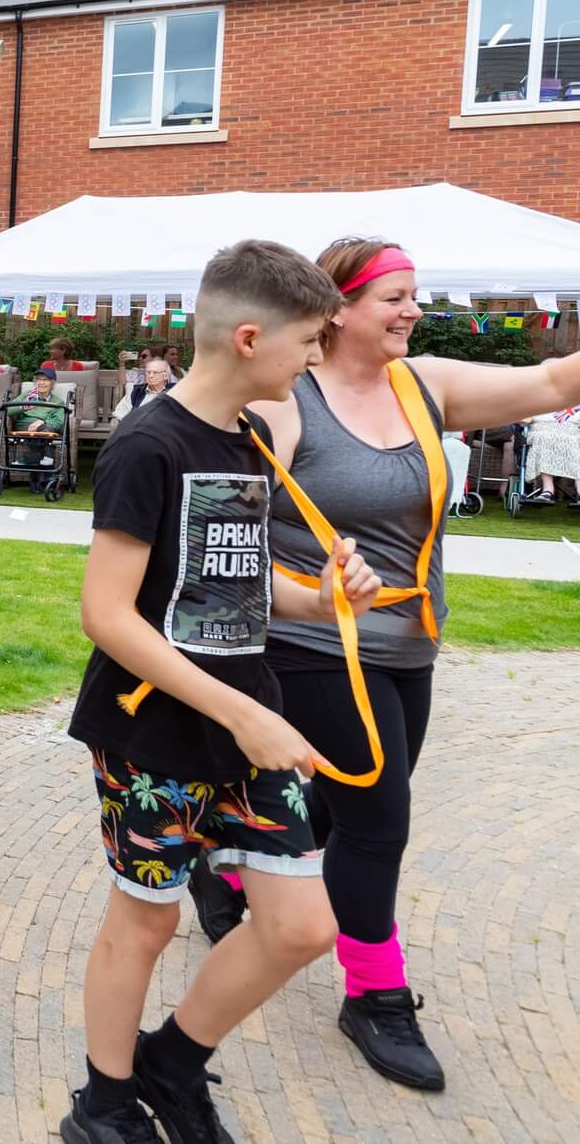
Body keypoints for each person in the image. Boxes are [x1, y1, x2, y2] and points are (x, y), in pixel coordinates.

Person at [229, 238, 580, 1094]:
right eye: (393, 296)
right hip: (313, 646)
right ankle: (375, 993)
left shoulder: (425, 384)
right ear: (337, 308)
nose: (411, 309)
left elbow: (556, 383)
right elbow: (222, 547)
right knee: (380, 817)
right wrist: (307, 597)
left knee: (341, 805)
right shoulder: (286, 401)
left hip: (410, 642)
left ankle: (234, 855)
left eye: (415, 295)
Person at [61, 240, 380, 1144]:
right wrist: (241, 711)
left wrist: (317, 595)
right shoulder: (146, 445)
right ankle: (107, 1102)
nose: (317, 358)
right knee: (147, 922)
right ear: (249, 337)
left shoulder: (246, 437)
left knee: (300, 926)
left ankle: (172, 1060)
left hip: (249, 718)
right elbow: (106, 612)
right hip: (156, 730)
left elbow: (225, 575)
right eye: (310, 341)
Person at [8, 364, 71, 471]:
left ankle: (29, 461)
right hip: (25, 425)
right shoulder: (27, 395)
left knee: (46, 429)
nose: (41, 383)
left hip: (46, 427)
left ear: (52, 383)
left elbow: (59, 421)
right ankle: (48, 464)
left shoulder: (58, 401)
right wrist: (24, 406)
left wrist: (42, 421)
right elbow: (8, 410)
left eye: (45, 380)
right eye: (38, 380)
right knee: (44, 431)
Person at [521, 405, 580, 504]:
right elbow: (524, 419)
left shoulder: (574, 396)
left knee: (575, 442)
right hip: (541, 428)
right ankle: (547, 490)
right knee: (545, 438)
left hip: (571, 430)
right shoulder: (537, 397)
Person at [112, 357, 173, 425]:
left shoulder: (174, 392)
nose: (151, 375)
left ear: (166, 376)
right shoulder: (135, 392)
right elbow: (120, 413)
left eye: (155, 372)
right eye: (148, 372)